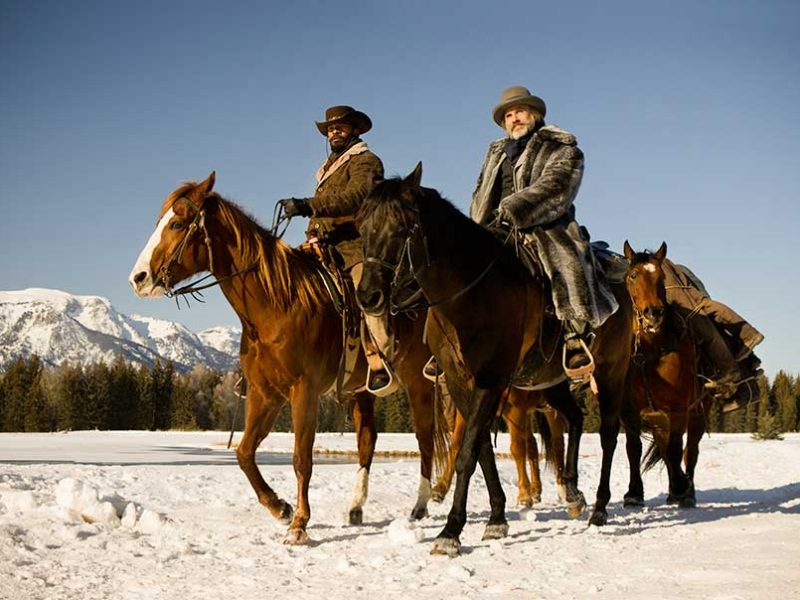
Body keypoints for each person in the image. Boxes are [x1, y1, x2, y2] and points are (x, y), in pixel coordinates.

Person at [469, 86, 618, 381]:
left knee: (566, 259)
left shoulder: (562, 148)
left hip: (546, 225)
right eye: (509, 115)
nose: (514, 118)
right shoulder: (496, 153)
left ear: (535, 115)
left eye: (520, 112)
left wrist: (513, 209)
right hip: (494, 229)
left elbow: (557, 188)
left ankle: (574, 336)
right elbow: (481, 193)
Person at [278, 105, 393, 392]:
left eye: (341, 126)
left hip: (355, 247)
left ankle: (383, 361)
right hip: (321, 247)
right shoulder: (328, 169)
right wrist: (313, 234)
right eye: (330, 128)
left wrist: (307, 205)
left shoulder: (367, 161)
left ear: (355, 129)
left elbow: (355, 198)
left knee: (366, 296)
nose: (334, 131)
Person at [662, 259, 764, 407]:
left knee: (699, 320)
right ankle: (748, 375)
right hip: (682, 276)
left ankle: (738, 370)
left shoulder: (650, 267)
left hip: (677, 280)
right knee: (706, 321)